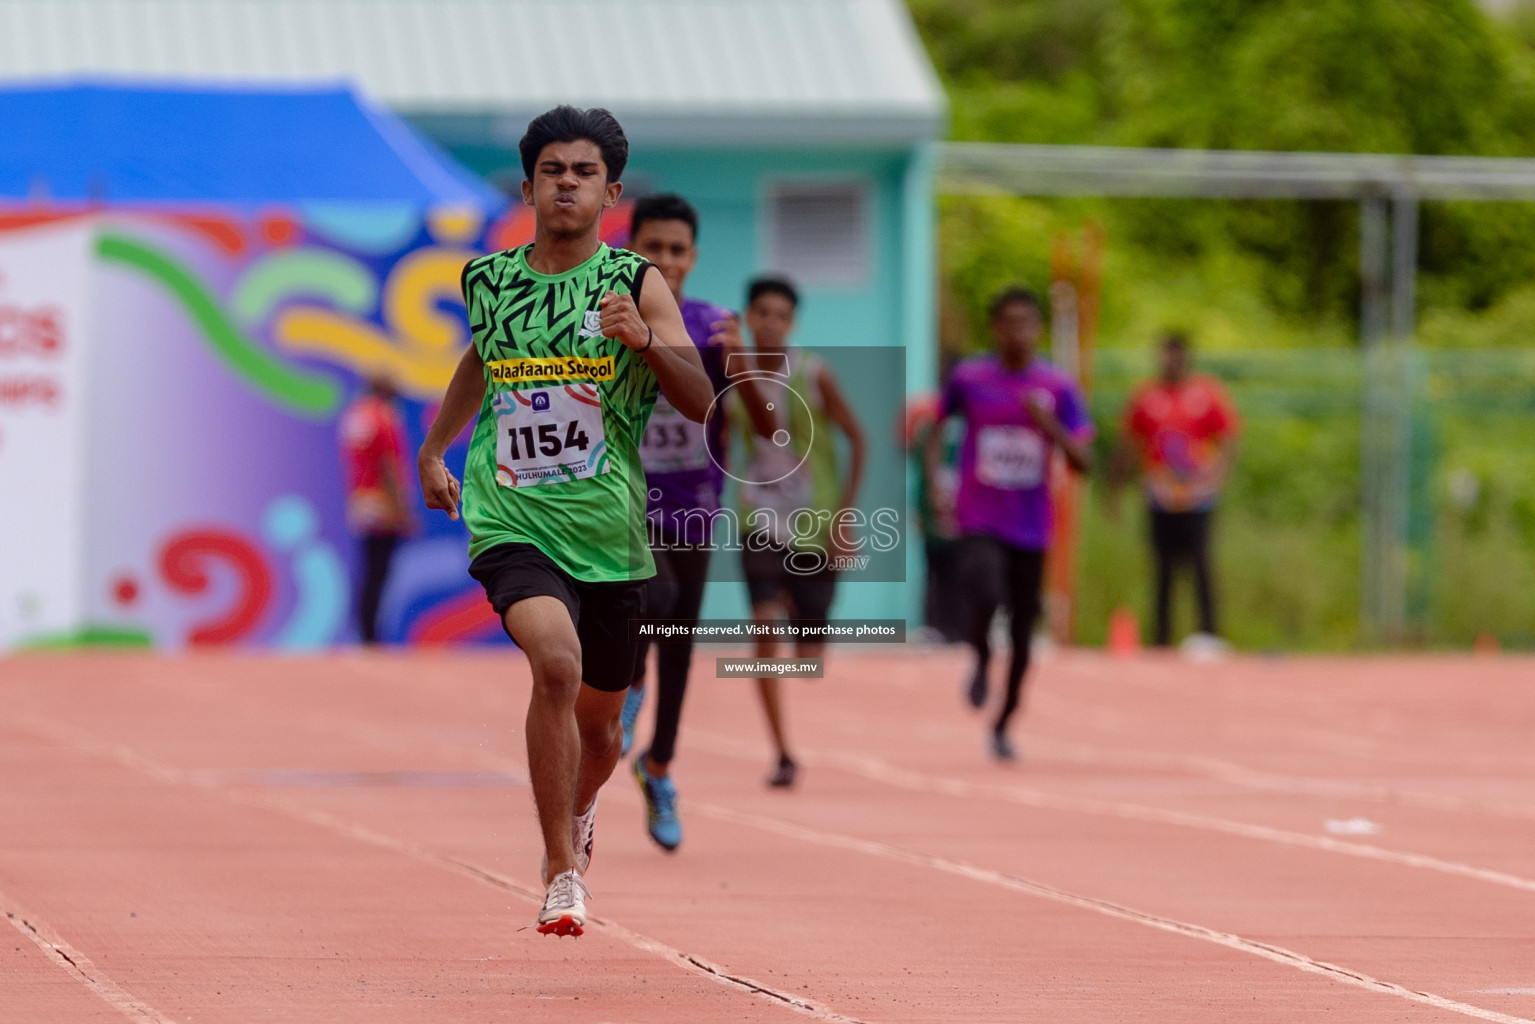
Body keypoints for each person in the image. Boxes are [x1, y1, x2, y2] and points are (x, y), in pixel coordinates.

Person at [416, 107, 713, 938]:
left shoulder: (634, 283)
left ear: (610, 191)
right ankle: (558, 870)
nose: (567, 184)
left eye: (584, 173)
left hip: (610, 534)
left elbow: (700, 402)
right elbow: (482, 359)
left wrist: (647, 345)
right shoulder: (488, 280)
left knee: (603, 728)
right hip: (513, 517)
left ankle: (580, 808)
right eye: (553, 171)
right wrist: (435, 447)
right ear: (529, 186)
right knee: (553, 661)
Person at [620, 193, 773, 852]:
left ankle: (658, 768)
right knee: (653, 598)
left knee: (679, 636)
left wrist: (740, 364)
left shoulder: (715, 327)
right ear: (630, 251)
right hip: (623, 500)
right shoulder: (611, 320)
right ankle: (625, 687)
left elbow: (769, 429)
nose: (665, 260)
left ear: (694, 258)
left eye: (676, 250)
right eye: (652, 247)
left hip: (696, 507)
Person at [935, 286, 1092, 762]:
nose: (1019, 332)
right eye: (1010, 322)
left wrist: (1051, 429)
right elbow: (936, 424)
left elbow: (1085, 460)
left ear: (1039, 329)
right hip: (979, 513)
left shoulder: (1058, 387)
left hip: (1031, 522)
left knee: (1025, 628)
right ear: (995, 328)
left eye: (1028, 323)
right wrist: (938, 483)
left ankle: (1005, 719)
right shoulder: (970, 377)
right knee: (982, 589)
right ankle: (981, 655)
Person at [736, 275, 865, 788]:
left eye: (781, 315)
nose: (770, 323)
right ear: (748, 317)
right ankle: (782, 752)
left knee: (810, 656)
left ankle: (795, 604)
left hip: (815, 523)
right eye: (761, 312)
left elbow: (858, 438)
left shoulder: (814, 374)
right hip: (759, 519)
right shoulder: (732, 375)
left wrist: (846, 516)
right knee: (764, 630)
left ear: (793, 323)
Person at [1109, 332, 1240, 648]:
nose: (1170, 361)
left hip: (1197, 497)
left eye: (1176, 355)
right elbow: (1128, 445)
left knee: (1200, 565)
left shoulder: (1206, 393)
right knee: (1162, 569)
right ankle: (1161, 640)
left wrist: (1218, 475)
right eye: (1165, 355)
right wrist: (1113, 489)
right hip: (1161, 495)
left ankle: (1208, 636)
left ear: (1186, 358)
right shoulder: (1145, 395)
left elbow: (1230, 438)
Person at [338, 371, 414, 644]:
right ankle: (371, 635)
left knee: (369, 568)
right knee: (379, 571)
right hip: (383, 503)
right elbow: (388, 465)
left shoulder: (356, 415)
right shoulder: (385, 417)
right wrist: (402, 509)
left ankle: (366, 631)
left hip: (361, 500)